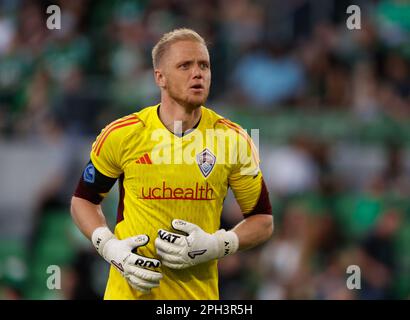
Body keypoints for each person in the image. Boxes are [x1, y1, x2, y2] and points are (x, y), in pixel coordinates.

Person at [70, 28, 273, 300]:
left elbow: (262, 221)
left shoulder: (232, 139)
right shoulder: (123, 134)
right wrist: (109, 247)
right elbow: (83, 201)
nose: (198, 73)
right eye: (185, 66)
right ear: (160, 77)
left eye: (204, 65)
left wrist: (217, 244)